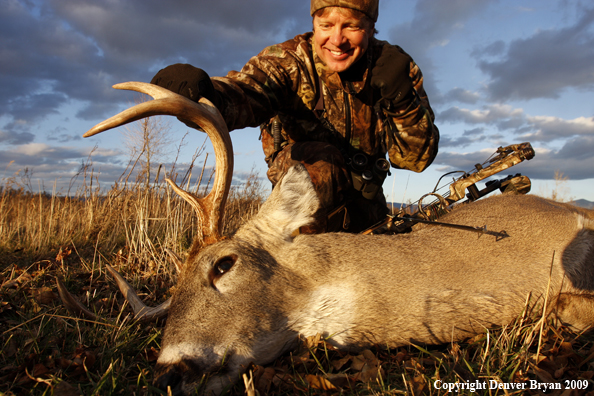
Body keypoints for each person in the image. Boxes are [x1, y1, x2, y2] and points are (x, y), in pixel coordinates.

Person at [151, 0, 439, 233]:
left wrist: (402, 100)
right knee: (317, 163)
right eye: (326, 25)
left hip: (368, 206)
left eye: (351, 26)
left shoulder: (396, 66)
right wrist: (207, 95)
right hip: (300, 210)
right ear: (314, 23)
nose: (337, 40)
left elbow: (414, 160)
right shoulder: (288, 61)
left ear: (371, 26)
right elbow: (245, 92)